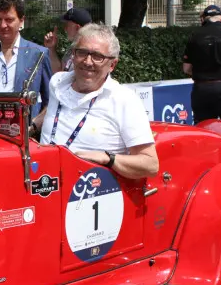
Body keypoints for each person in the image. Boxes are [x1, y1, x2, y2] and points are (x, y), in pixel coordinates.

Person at [34, 24, 159, 180]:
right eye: (82, 53)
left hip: (89, 193)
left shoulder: (124, 100)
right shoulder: (57, 83)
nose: (87, 61)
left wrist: (109, 158)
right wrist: (32, 126)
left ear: (112, 64)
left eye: (97, 56)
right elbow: (55, 107)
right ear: (73, 54)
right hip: (43, 184)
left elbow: (150, 164)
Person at [182, 5, 221, 123]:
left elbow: (186, 69)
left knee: (204, 128)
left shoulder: (194, 36)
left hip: (201, 88)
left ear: (204, 19)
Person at [44, 7, 92, 74]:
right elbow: (59, 73)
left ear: (77, 28)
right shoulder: (73, 47)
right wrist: (51, 48)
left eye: (67, 25)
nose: (65, 29)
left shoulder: (90, 51)